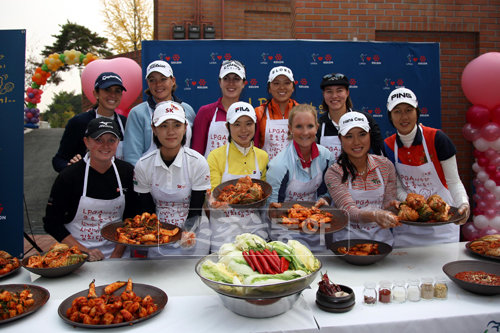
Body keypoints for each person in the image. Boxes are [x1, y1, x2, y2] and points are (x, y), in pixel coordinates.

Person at [383, 87, 470, 247]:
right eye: (397, 111)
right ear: (390, 116)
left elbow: (453, 181)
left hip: (442, 222)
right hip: (408, 227)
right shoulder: (388, 146)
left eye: (409, 110)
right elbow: (397, 188)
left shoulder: (438, 139)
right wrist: (416, 204)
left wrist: (463, 203)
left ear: (417, 112)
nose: (404, 117)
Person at [43, 118, 138, 261]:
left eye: (111, 140)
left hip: (119, 256)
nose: (105, 145)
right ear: (86, 142)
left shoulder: (127, 172)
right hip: (77, 256)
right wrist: (84, 251)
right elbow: (51, 223)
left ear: (118, 143)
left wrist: (116, 254)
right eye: (98, 140)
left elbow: (131, 218)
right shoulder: (69, 176)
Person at [133, 101, 211, 256]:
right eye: (163, 126)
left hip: (194, 238)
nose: (171, 132)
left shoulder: (197, 162)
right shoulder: (143, 165)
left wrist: (186, 234)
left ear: (185, 128)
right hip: (158, 238)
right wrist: (159, 236)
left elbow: (195, 210)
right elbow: (147, 210)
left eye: (176, 125)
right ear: (154, 129)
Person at [324, 112, 400, 246]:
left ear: (370, 135)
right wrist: (375, 215)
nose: (356, 142)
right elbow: (348, 211)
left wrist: (391, 207)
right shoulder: (334, 173)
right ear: (340, 139)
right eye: (349, 136)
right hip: (346, 246)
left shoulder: (385, 165)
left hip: (382, 244)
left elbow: (388, 202)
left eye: (362, 134)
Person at [266, 104, 333, 252]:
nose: (305, 132)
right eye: (299, 126)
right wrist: (293, 220)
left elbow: (329, 191)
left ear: (316, 127)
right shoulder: (279, 165)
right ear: (290, 128)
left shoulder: (326, 157)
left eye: (310, 126)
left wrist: (325, 199)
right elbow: (271, 208)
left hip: (315, 228)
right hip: (285, 232)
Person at [206, 102, 269, 251]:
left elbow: (264, 195)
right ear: (228, 127)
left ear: (255, 125)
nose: (244, 130)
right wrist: (212, 200)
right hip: (223, 232)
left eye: (248, 123)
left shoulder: (262, 156)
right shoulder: (215, 156)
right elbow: (213, 192)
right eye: (237, 124)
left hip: (254, 230)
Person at [123, 60, 196, 166]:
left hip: (184, 176)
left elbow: (194, 149)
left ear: (173, 81)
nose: (158, 84)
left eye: (163, 79)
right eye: (152, 80)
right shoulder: (138, 113)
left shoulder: (187, 110)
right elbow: (132, 157)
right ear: (148, 83)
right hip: (150, 178)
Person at [52, 72, 127, 172]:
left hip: (117, 183)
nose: (112, 95)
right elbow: (58, 160)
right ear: (96, 93)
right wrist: (70, 167)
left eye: (117, 91)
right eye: (107, 90)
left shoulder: (125, 122)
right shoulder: (78, 122)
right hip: (86, 184)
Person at [192, 60, 256, 158]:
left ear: (243, 83)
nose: (231, 83)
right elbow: (196, 154)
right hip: (210, 172)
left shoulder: (250, 114)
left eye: (236, 79)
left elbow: (255, 151)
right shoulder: (206, 112)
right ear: (220, 82)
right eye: (226, 78)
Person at [317, 72, 384, 162]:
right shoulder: (318, 125)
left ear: (347, 92)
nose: (334, 96)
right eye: (329, 91)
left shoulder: (365, 120)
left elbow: (380, 155)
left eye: (339, 90)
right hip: (328, 175)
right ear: (323, 94)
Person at [255, 66, 299, 160]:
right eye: (276, 83)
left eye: (287, 83)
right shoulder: (259, 113)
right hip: (267, 171)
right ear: (269, 88)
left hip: (296, 171)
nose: (282, 87)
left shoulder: (301, 112)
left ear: (293, 87)